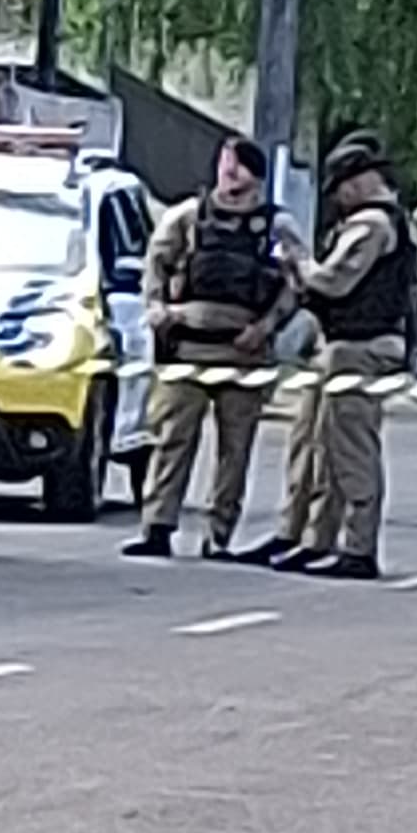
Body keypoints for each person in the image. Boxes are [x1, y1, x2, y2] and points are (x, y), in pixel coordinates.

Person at [119, 134, 301, 560]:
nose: (227, 173)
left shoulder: (275, 226)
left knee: (234, 451)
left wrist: (268, 326)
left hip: (244, 352)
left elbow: (294, 283)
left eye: (236, 165)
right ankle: (157, 527)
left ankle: (219, 533)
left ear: (255, 176)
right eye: (224, 163)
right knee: (171, 440)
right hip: (186, 348)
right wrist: (157, 309)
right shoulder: (187, 216)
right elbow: (156, 265)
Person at [265, 134, 417, 578]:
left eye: (344, 185)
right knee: (322, 445)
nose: (340, 197)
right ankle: (319, 540)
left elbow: (334, 282)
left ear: (363, 180)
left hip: (360, 347)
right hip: (349, 344)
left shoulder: (372, 224)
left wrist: (299, 257)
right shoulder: (390, 223)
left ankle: (358, 548)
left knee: (351, 449)